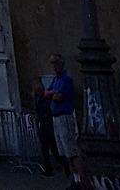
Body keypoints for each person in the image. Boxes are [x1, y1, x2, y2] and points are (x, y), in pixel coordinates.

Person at [44, 54, 80, 184]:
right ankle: (74, 179)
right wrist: (52, 93)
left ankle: (79, 180)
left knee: (71, 151)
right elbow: (45, 93)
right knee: (63, 152)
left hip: (65, 117)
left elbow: (58, 97)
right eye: (52, 63)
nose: (53, 66)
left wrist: (52, 94)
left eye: (56, 63)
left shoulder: (66, 79)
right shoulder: (56, 79)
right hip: (56, 118)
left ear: (62, 64)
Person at [33, 78, 66, 176]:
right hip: (43, 125)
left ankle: (65, 164)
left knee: (54, 148)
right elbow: (37, 115)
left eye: (39, 90)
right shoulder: (37, 100)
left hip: (50, 125)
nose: (38, 92)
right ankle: (48, 169)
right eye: (37, 90)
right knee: (44, 150)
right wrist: (36, 128)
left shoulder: (48, 98)